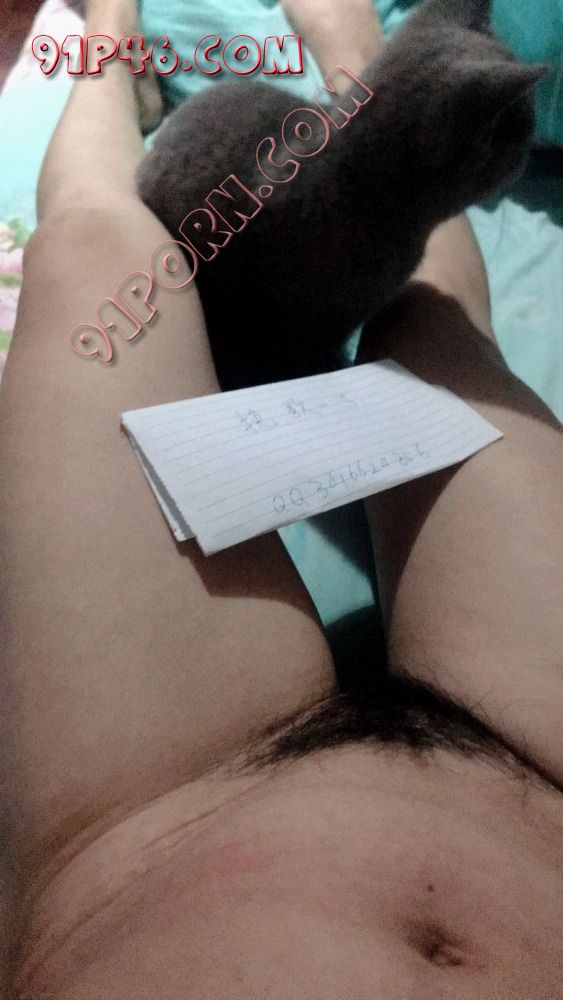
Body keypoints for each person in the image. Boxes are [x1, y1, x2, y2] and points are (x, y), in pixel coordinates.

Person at [0, 0, 561, 996]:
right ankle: (116, 40)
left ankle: (358, 68)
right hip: (525, 773)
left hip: (134, 827)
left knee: (105, 257)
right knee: (431, 330)